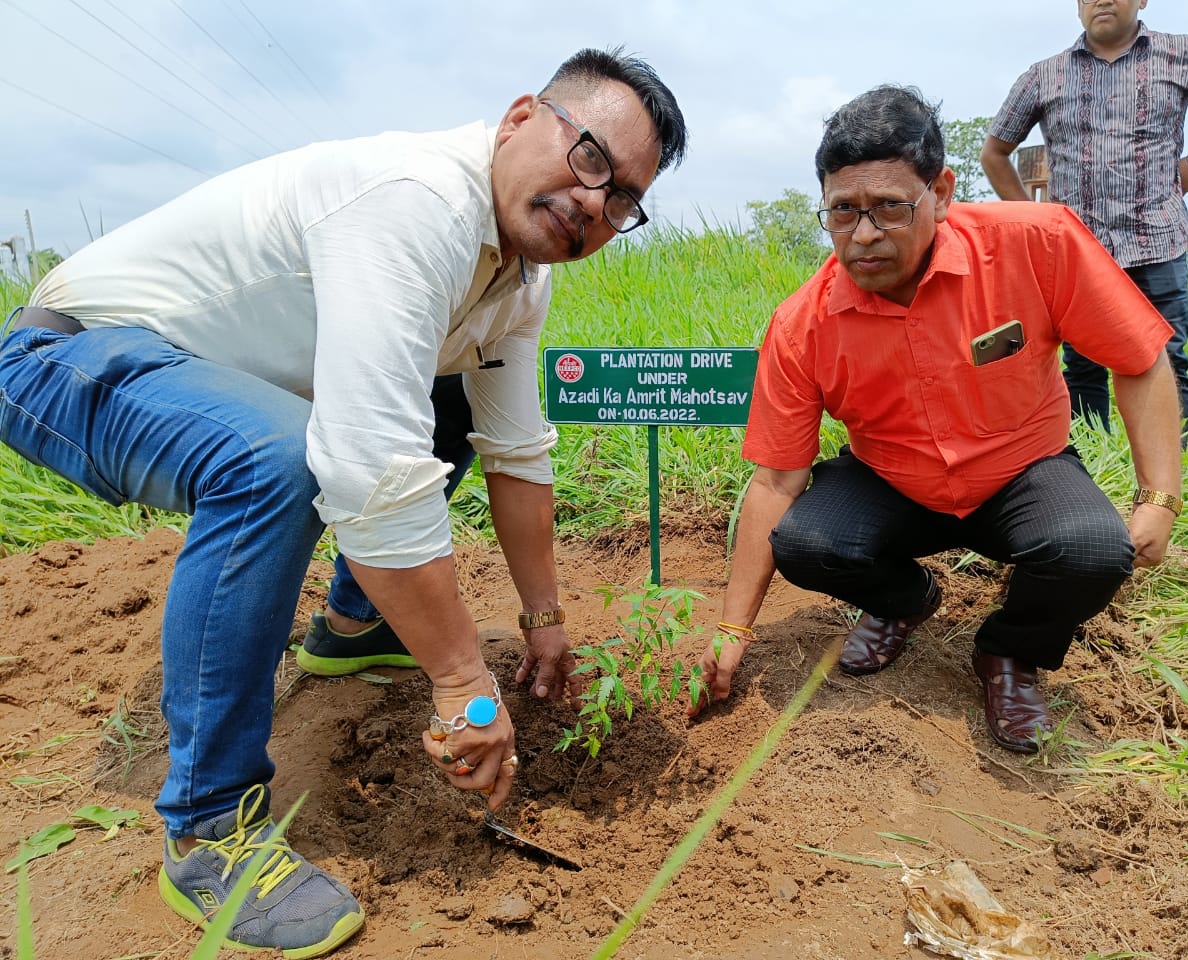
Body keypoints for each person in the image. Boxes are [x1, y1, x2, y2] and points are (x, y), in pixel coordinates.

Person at [0, 48, 686, 958]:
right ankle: (208, 828)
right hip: (72, 358)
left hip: (223, 379)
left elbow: (515, 452)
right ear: (522, 118)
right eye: (590, 157)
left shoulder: (520, 277)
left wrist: (544, 619)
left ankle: (355, 629)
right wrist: (464, 683)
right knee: (278, 462)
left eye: (624, 198)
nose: (594, 203)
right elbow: (365, 466)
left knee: (443, 403)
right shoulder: (415, 201)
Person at [687, 85, 1181, 758]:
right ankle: (905, 600)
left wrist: (1159, 496)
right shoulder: (803, 324)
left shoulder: (1037, 243)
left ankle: (1009, 652)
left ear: (941, 192)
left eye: (890, 207)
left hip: (1022, 471)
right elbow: (776, 481)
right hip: (893, 481)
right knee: (803, 543)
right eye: (843, 211)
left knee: (1094, 551)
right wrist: (733, 631)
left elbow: (1140, 359)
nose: (864, 235)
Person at [981, 0, 1188, 435]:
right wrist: (1038, 223)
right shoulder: (1044, 76)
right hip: (1080, 254)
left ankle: (1171, 467)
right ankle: (1094, 462)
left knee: (1166, 359)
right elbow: (994, 153)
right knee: (1083, 365)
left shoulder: (1184, 53)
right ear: (1078, 7)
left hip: (1158, 240)